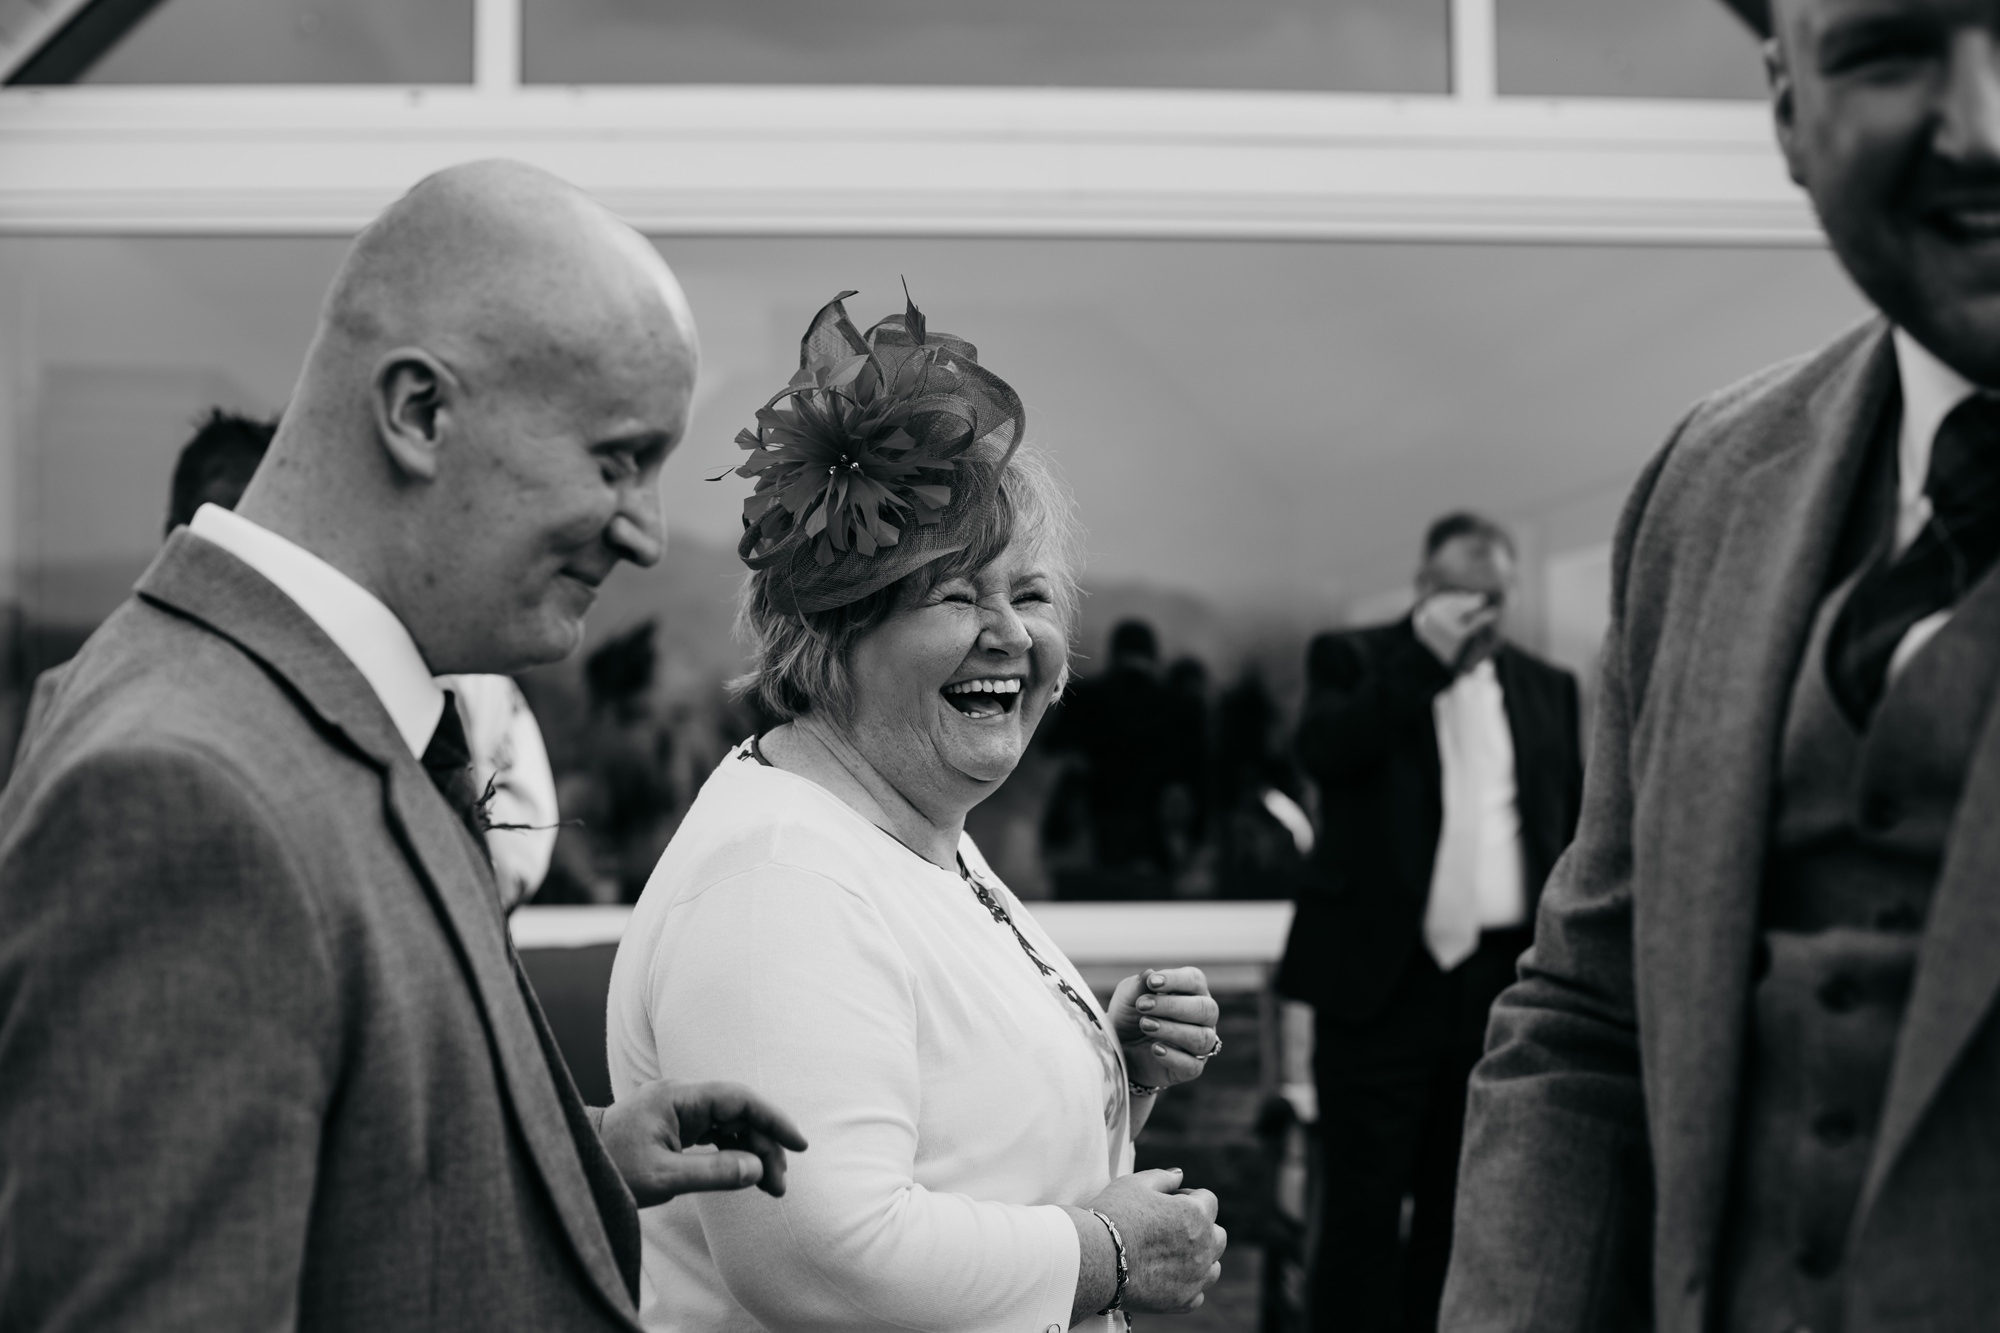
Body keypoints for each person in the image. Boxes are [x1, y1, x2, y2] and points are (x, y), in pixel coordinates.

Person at [0, 160, 805, 1332]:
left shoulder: (295, 706)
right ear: (421, 411)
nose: (646, 532)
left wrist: (561, 1148)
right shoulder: (182, 798)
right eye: (619, 458)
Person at [1442, 1, 2000, 1328]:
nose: (1983, 129)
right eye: (1890, 46)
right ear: (1788, 107)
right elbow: (1586, 1021)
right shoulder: (1707, 484)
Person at [606, 291, 1228, 1332]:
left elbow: (948, 1127)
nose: (1008, 635)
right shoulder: (777, 884)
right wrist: (1107, 1254)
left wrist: (1106, 1064)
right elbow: (819, 1259)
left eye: (1029, 596)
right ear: (832, 637)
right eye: (952, 595)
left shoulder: (914, 829)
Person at [1277, 512, 1582, 1333]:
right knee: (1362, 1214)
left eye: (1495, 598)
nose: (1481, 614)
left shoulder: (1548, 688)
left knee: (1466, 1209)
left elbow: (1572, 829)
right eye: (1462, 596)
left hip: (1497, 987)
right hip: (1378, 984)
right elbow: (1326, 751)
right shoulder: (1355, 660)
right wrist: (1426, 658)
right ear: (1425, 590)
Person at [1046, 618, 1175, 886]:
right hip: (1154, 818)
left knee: (1100, 890)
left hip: (1097, 815)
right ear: (1152, 652)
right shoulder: (1174, 703)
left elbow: (1052, 745)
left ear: (1114, 651)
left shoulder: (1086, 697)